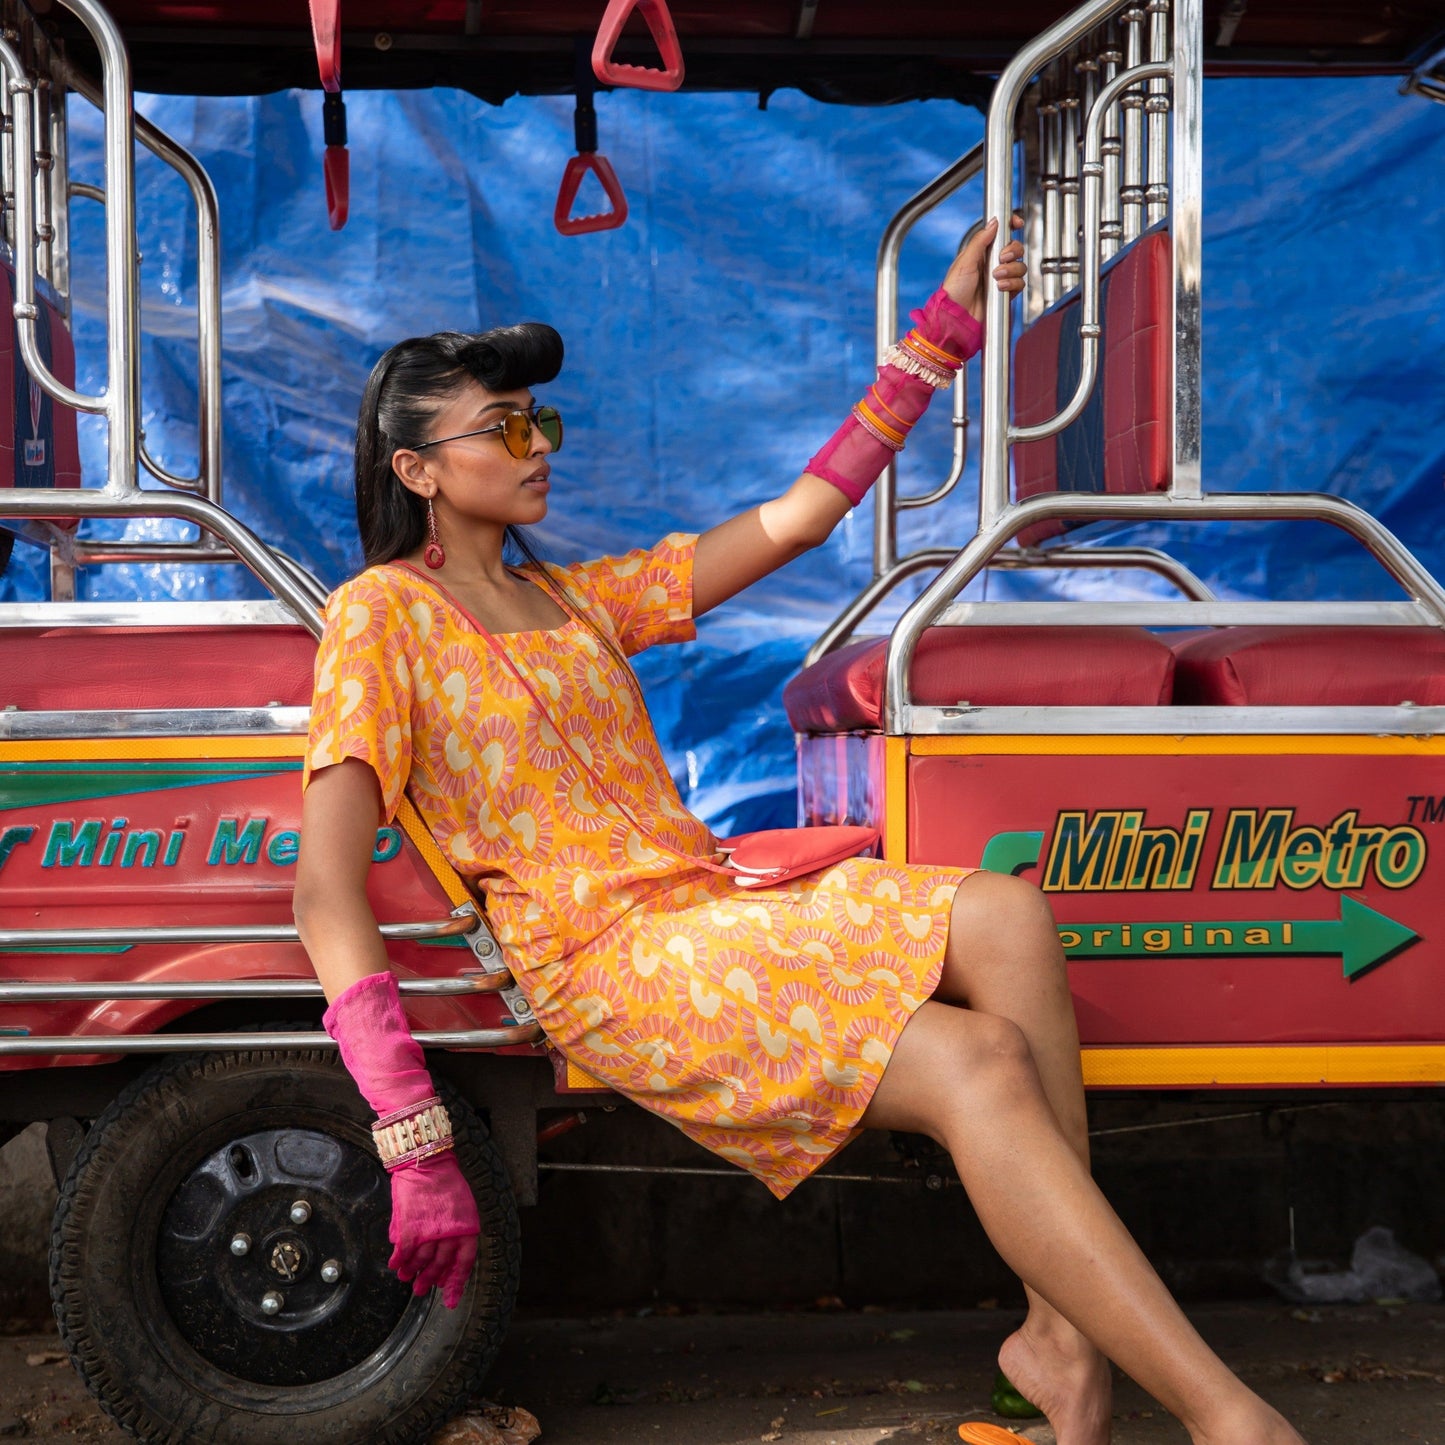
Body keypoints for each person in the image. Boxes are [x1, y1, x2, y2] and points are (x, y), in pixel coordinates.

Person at [293, 219, 1306, 1445]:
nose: (537, 444)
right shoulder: (377, 619)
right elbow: (326, 888)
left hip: (708, 910)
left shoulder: (571, 596)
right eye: (504, 427)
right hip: (608, 960)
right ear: (418, 470)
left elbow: (796, 518)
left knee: (1001, 908)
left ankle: (1061, 1346)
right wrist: (408, 1124)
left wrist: (939, 333)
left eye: (539, 421)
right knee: (977, 1062)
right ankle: (1227, 1419)